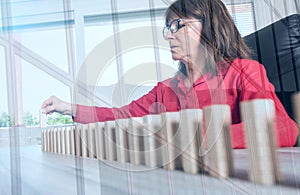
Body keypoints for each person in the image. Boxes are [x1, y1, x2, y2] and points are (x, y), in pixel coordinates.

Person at [42, 0, 298, 149]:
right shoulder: (166, 90)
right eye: (167, 27)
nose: (167, 35)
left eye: (178, 25)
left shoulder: (244, 72)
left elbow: (285, 129)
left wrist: (193, 139)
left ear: (209, 27)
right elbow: (120, 116)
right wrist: (70, 108)